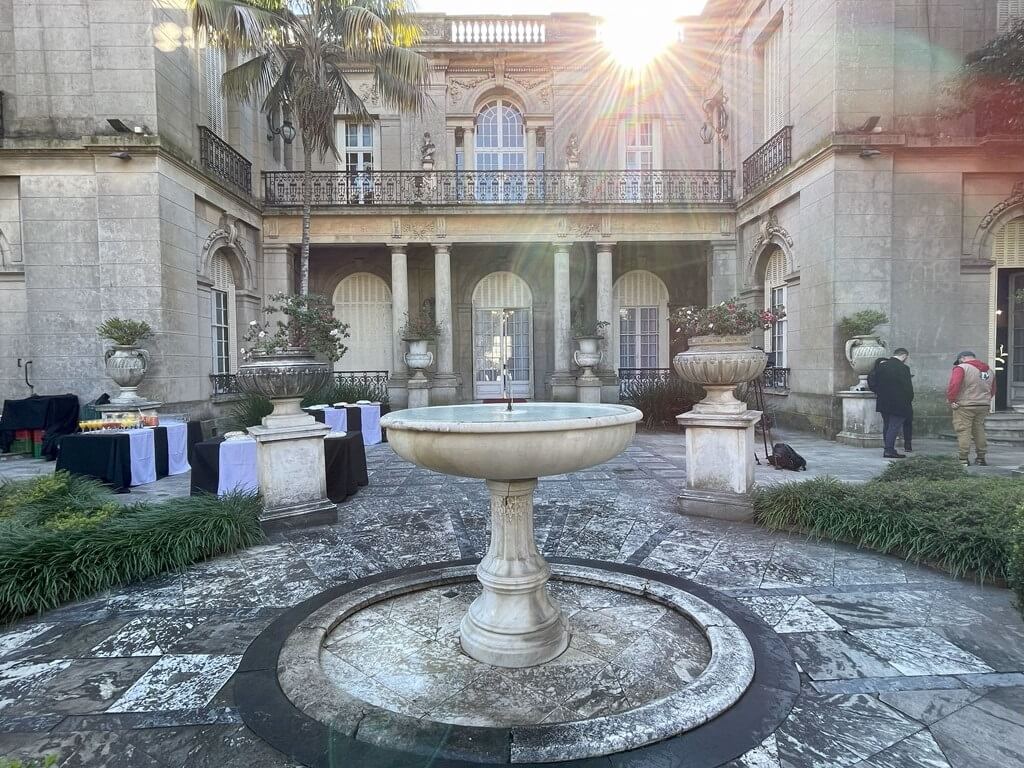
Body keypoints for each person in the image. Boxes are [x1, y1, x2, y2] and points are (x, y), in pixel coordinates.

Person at [946, 350, 995, 466]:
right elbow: (993, 389)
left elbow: (954, 384)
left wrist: (952, 400)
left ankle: (963, 459)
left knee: (963, 431)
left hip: (965, 405)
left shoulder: (961, 368)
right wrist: (984, 400)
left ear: (962, 358)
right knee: (979, 430)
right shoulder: (989, 370)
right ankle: (981, 458)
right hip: (983, 405)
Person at [872, 348, 914, 459]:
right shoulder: (904, 368)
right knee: (894, 426)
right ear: (904, 356)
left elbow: (874, 383)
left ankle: (888, 447)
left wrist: (880, 394)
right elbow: (908, 388)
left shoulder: (881, 367)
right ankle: (889, 450)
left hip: (883, 401)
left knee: (887, 425)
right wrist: (908, 400)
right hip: (899, 402)